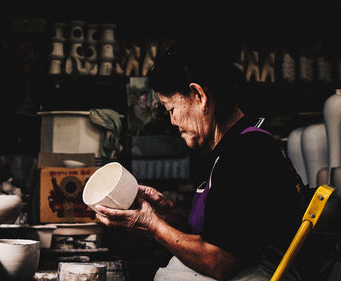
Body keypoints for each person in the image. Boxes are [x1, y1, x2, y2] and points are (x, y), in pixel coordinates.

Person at [94, 46, 304, 281]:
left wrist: (153, 226)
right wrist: (169, 216)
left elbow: (220, 262)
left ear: (200, 96)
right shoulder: (230, 149)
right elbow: (223, 232)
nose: (173, 121)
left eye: (171, 108)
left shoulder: (247, 154)